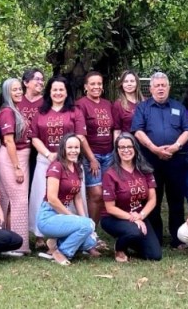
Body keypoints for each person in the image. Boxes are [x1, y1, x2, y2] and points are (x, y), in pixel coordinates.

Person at [131, 71, 188, 248]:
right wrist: (153, 148)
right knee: (153, 199)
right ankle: (155, 237)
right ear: (150, 88)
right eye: (156, 85)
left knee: (176, 200)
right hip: (150, 161)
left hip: (175, 160)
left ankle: (178, 238)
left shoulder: (178, 107)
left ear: (168, 87)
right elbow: (138, 131)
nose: (160, 89)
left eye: (163, 85)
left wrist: (176, 146)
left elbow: (187, 130)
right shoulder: (143, 108)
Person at [28, 76, 86, 238]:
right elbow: (34, 138)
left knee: (72, 196)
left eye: (61, 89)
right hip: (45, 160)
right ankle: (41, 235)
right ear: (49, 92)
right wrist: (48, 154)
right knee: (42, 196)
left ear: (67, 92)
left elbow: (80, 136)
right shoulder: (40, 112)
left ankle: (74, 230)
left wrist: (65, 155)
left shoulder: (75, 112)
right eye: (55, 89)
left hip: (71, 161)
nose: (58, 92)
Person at [37, 133, 100, 264]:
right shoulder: (56, 167)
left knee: (91, 239)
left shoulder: (77, 168)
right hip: (48, 216)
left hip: (62, 216)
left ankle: (55, 243)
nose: (73, 151)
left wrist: (84, 219)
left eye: (76, 147)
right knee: (86, 226)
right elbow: (52, 199)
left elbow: (77, 198)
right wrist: (73, 217)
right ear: (63, 149)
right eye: (69, 147)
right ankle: (62, 252)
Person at [100, 133, 162, 262]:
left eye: (129, 146)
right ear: (117, 151)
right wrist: (133, 218)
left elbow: (152, 199)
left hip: (139, 216)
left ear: (135, 148)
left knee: (154, 255)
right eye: (121, 147)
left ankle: (130, 239)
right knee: (134, 232)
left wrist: (141, 215)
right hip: (114, 218)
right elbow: (110, 208)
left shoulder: (145, 170)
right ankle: (119, 248)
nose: (126, 150)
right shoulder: (110, 174)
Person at [0, 77, 33, 255]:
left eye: (20, 89)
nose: (18, 92)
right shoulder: (7, 112)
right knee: (16, 200)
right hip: (12, 158)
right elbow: (9, 141)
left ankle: (8, 241)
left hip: (21, 157)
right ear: (6, 92)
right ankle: (13, 244)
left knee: (10, 200)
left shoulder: (16, 110)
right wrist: (17, 167)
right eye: (14, 90)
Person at [76, 71, 116, 227]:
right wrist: (92, 158)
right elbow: (80, 134)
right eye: (92, 84)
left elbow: (113, 130)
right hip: (91, 155)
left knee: (104, 194)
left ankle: (94, 229)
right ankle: (89, 231)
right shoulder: (81, 104)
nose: (96, 87)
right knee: (96, 194)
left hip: (109, 154)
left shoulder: (108, 104)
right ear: (86, 86)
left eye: (99, 83)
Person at [19, 68, 46, 192]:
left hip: (40, 150)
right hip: (20, 149)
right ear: (26, 83)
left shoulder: (46, 102)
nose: (41, 82)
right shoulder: (17, 101)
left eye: (42, 79)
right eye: (37, 79)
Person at [112, 69, 145, 134]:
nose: (129, 84)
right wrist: (116, 143)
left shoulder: (146, 102)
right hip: (128, 142)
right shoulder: (118, 105)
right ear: (121, 84)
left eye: (132, 81)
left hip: (147, 142)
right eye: (126, 81)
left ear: (137, 83)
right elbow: (117, 130)